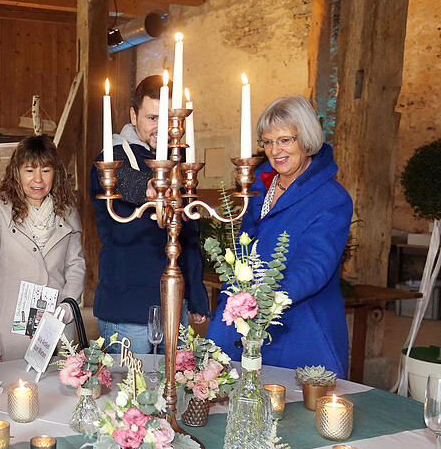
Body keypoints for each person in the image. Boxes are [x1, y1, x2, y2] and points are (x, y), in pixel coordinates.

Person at [207, 95, 353, 377]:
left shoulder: (332, 199)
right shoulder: (258, 187)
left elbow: (315, 267)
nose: (275, 150)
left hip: (302, 331)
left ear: (307, 139)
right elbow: (243, 251)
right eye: (268, 142)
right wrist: (234, 298)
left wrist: (263, 302)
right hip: (241, 322)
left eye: (285, 140)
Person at [89, 75, 209, 355]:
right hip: (127, 310)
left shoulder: (180, 164)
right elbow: (123, 179)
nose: (161, 128)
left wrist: (196, 295)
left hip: (174, 303)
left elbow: (189, 232)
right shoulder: (111, 158)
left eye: (168, 119)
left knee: (178, 380)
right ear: (133, 116)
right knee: (128, 384)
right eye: (152, 118)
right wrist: (152, 187)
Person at [0, 135, 85, 363]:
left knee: (57, 385)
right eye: (29, 170)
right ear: (16, 172)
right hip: (8, 333)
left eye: (45, 170)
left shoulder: (67, 211)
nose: (38, 179)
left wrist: (68, 305)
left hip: (55, 329)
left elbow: (76, 265)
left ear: (55, 173)